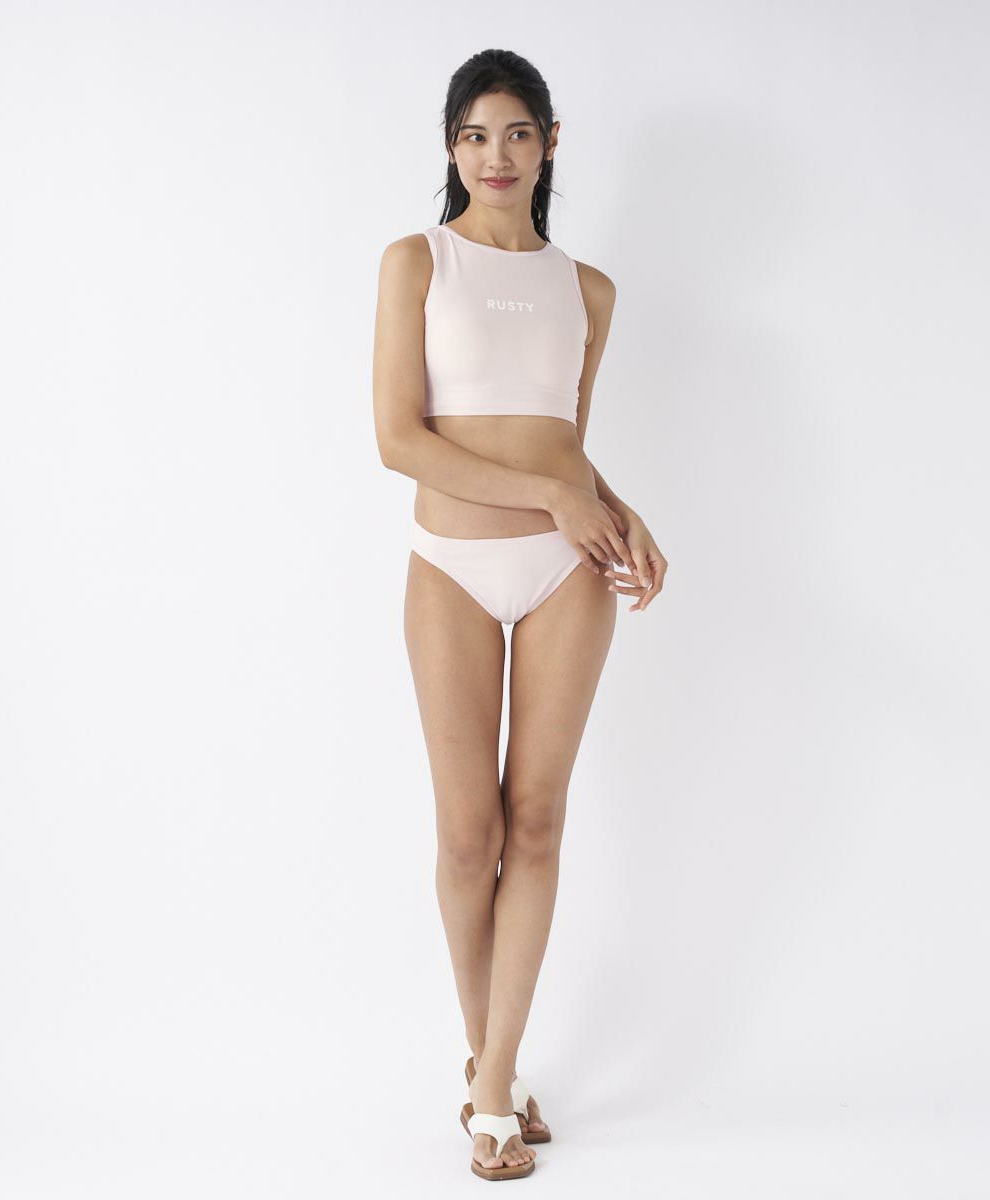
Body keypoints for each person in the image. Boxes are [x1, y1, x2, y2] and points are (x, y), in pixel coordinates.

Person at [372, 48, 667, 1181]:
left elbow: (562, 444)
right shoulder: (417, 262)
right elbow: (399, 440)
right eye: (475, 135)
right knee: (469, 834)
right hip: (450, 563)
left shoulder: (588, 290)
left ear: (549, 145)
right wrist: (555, 494)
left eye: (518, 133)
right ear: (451, 148)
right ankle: (483, 1054)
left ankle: (494, 1081)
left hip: (567, 572)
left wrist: (617, 510)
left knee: (535, 821)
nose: (496, 156)